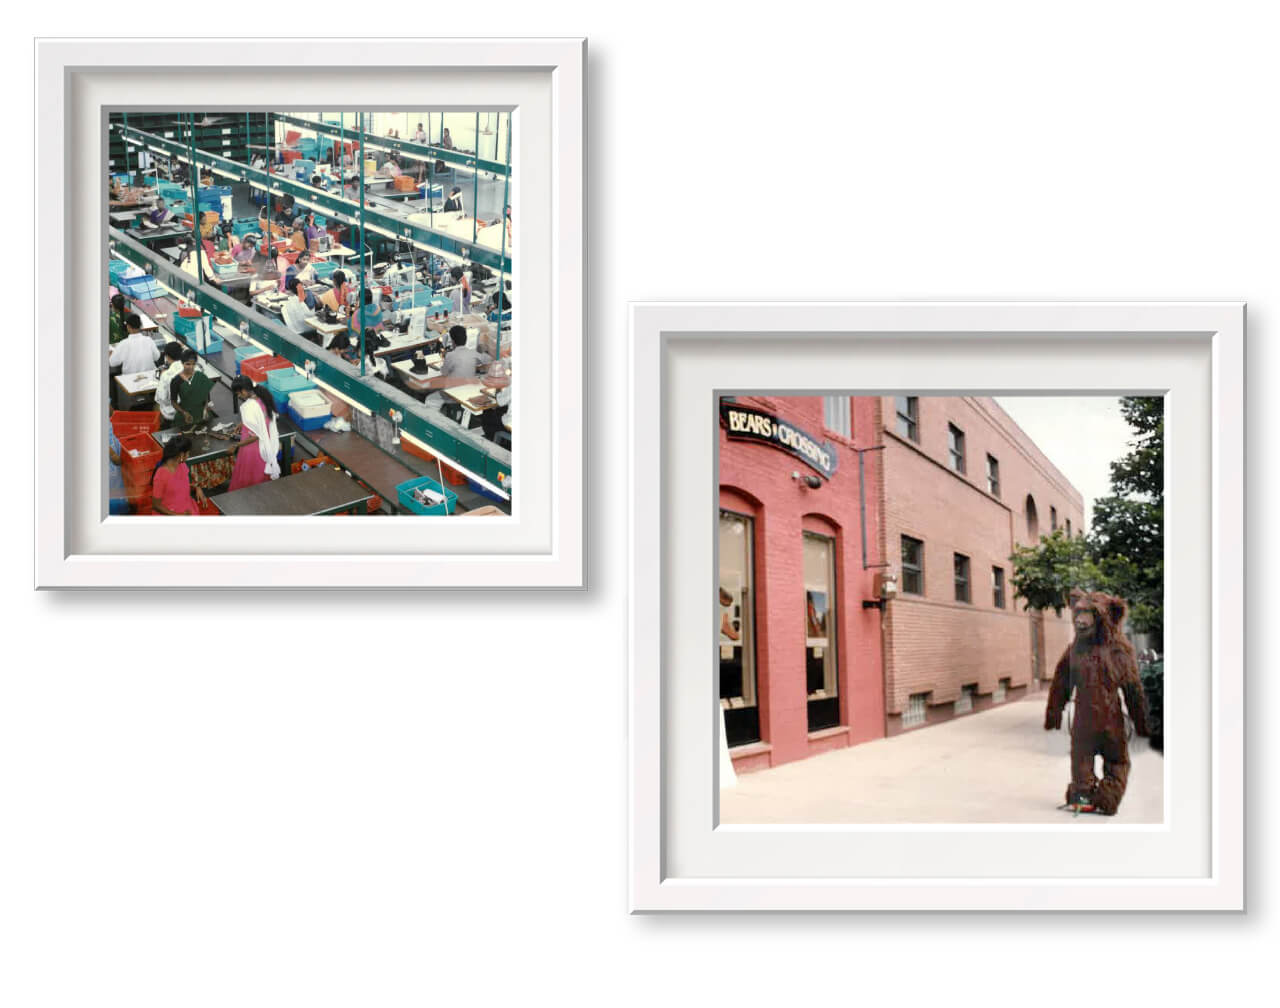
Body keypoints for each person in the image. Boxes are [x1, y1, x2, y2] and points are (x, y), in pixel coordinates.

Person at [228, 376, 281, 490]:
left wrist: (236, 445)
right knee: (261, 480)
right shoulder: (263, 398)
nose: (239, 396)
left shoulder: (248, 407)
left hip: (252, 450)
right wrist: (243, 423)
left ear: (243, 390)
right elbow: (262, 420)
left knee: (249, 479)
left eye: (238, 393)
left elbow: (255, 436)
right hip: (266, 446)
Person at [151, 435, 205, 515]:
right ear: (182, 455)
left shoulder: (182, 465)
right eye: (188, 453)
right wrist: (179, 516)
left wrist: (196, 487)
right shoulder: (161, 475)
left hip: (185, 507)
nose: (188, 456)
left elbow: (179, 486)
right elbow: (156, 505)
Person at [170, 349, 216, 430]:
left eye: (193, 364)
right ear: (182, 363)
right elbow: (173, 402)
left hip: (201, 412)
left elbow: (205, 395)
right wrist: (184, 413)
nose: (191, 367)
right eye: (188, 364)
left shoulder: (201, 376)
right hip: (186, 413)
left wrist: (205, 408)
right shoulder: (176, 381)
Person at [153, 341, 187, 428]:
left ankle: (161, 429)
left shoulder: (166, 375)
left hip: (173, 415)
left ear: (167, 357)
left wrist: (163, 376)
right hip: (192, 411)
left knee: (155, 406)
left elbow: (160, 398)